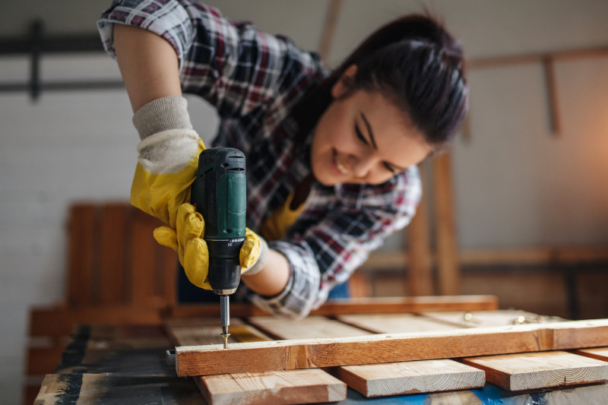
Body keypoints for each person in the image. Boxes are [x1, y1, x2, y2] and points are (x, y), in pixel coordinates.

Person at [97, 0, 468, 318]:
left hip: (294, 296)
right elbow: (148, 13)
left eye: (389, 166)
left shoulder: (396, 195)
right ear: (346, 83)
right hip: (201, 267)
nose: (360, 168)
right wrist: (170, 144)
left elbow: (310, 278)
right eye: (361, 135)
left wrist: (251, 257)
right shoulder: (282, 78)